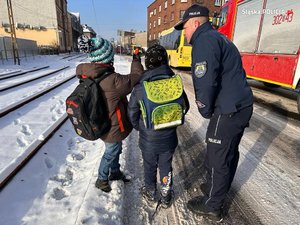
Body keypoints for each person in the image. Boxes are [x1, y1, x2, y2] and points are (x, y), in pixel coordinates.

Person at [174, 4, 253, 222]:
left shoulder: (204, 41)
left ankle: (212, 204)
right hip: (240, 105)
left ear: (196, 23)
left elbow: (205, 81)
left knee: (218, 155)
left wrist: (204, 108)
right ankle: (215, 187)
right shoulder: (219, 37)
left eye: (186, 28)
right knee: (228, 152)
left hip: (228, 108)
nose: (185, 33)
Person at [76, 36, 143, 192]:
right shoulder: (113, 80)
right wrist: (136, 60)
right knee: (111, 151)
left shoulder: (89, 75)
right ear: (107, 58)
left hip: (101, 121)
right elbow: (136, 77)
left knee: (115, 148)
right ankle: (102, 179)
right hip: (111, 125)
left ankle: (114, 172)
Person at [128, 44, 189, 208]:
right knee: (165, 166)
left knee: (149, 166)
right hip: (169, 138)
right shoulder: (174, 84)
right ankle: (166, 195)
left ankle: (150, 192)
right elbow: (186, 107)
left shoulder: (140, 88)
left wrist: (140, 128)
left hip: (148, 138)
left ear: (147, 64)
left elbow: (132, 113)